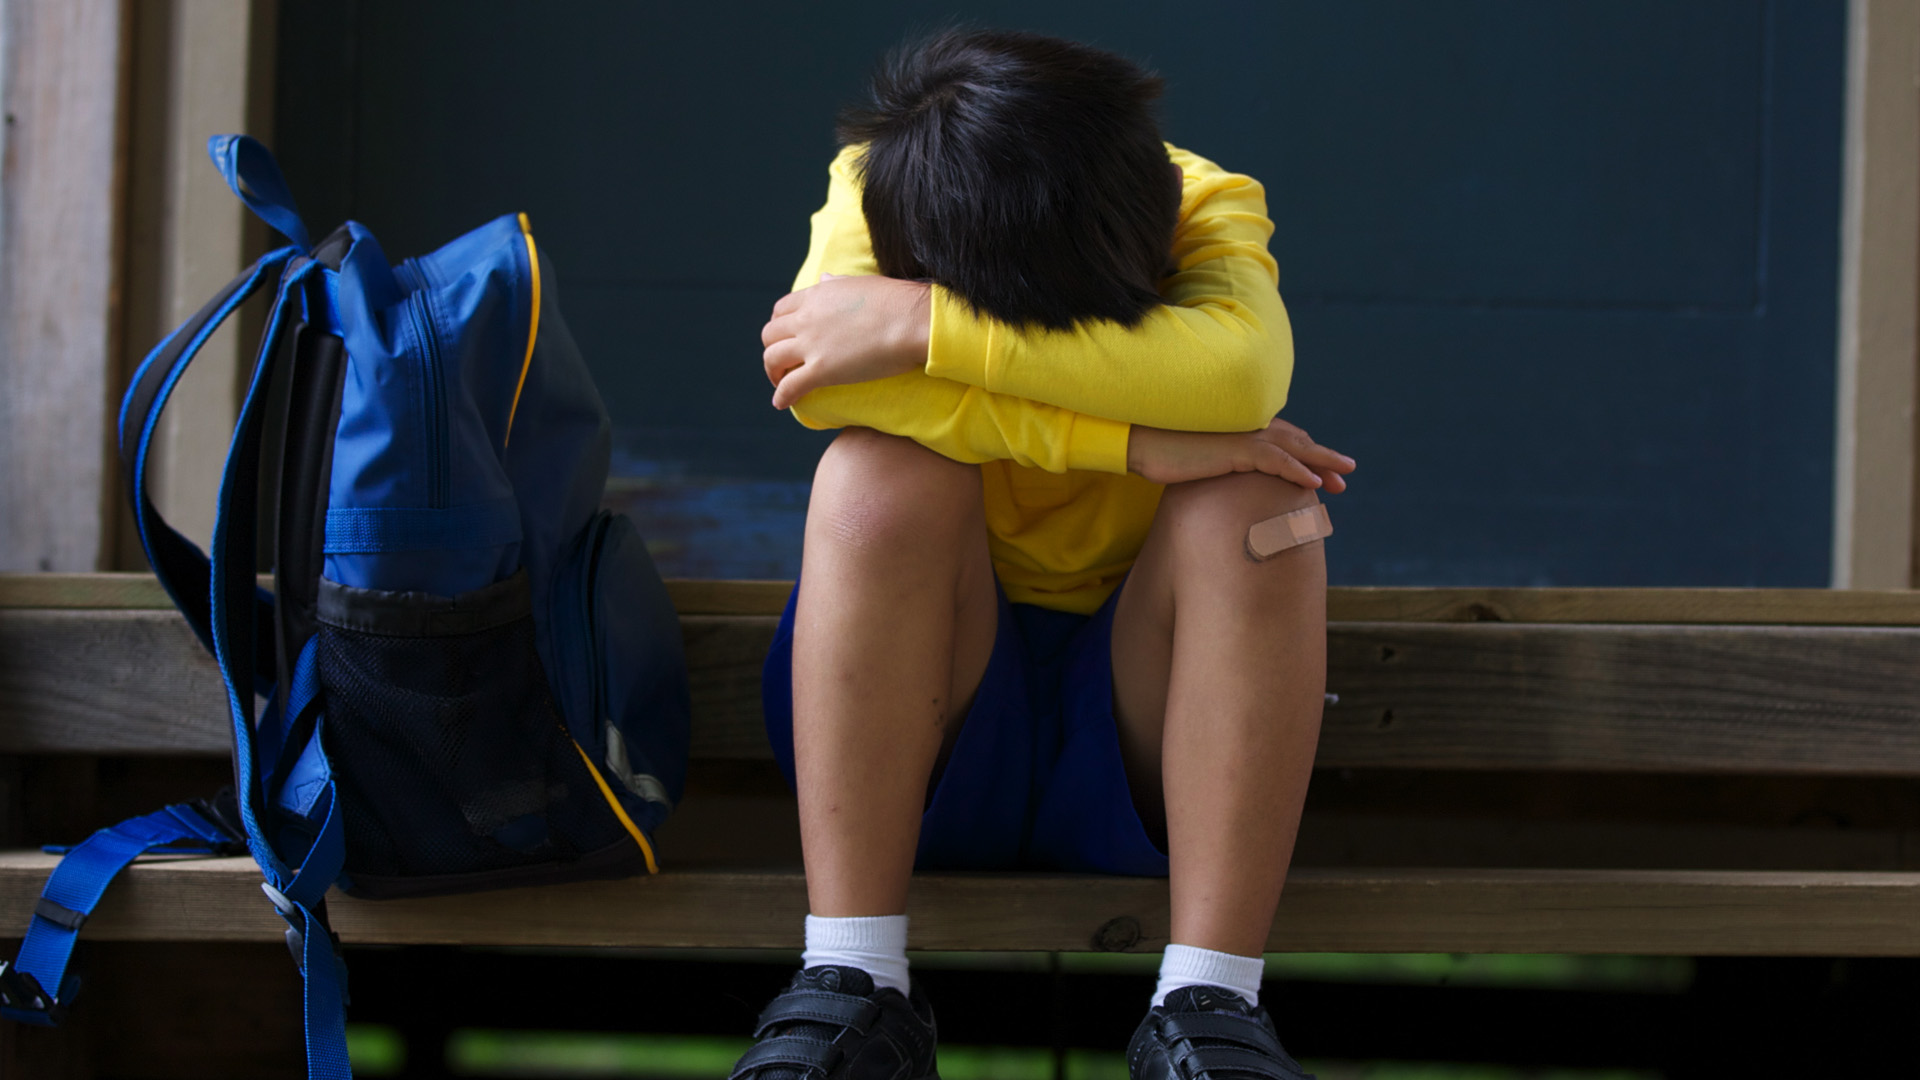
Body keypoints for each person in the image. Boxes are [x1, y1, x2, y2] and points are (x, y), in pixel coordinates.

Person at [735, 28, 1355, 1080]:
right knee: (877, 472)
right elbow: (820, 381)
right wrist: (1131, 438)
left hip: (1151, 728)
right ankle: (853, 981)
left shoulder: (1202, 201)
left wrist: (924, 325)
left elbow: (1241, 384)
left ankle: (1211, 1002)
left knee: (1262, 500)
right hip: (916, 726)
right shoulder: (878, 180)